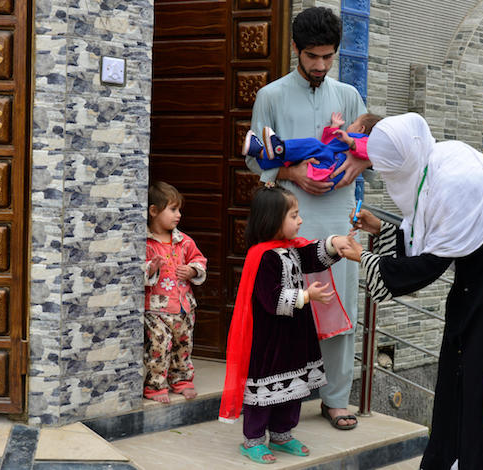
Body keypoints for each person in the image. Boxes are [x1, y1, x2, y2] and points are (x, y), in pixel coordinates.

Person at [340, 113, 483, 470]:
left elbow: (427, 266)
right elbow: (429, 230)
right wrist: (381, 228)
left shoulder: (454, 179)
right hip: (481, 280)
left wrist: (362, 256)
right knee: (463, 377)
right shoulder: (436, 163)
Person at [245, 6, 368, 430]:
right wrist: (293, 171)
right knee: (289, 307)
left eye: (328, 57)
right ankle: (285, 399)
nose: (320, 65)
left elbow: (365, 150)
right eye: (312, 56)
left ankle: (336, 399)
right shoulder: (271, 96)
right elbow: (254, 159)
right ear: (296, 49)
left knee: (341, 305)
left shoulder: (349, 95)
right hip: (290, 221)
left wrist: (355, 168)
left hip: (340, 219)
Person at [218, 184, 352, 464]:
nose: (300, 220)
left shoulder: (290, 250)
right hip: (269, 340)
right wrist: (306, 295)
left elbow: (312, 255)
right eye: (293, 215)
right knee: (264, 391)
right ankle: (252, 440)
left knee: (293, 386)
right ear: (272, 219)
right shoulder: (262, 256)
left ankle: (282, 434)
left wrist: (335, 243)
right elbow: (270, 299)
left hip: (294, 335)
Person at [144, 181, 207, 403]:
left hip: (184, 307)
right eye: (172, 209)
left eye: (179, 209)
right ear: (154, 211)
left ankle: (181, 380)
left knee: (183, 345)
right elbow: (138, 271)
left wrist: (192, 270)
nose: (178, 215)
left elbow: (200, 260)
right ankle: (155, 385)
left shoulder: (184, 241)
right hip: (157, 309)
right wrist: (151, 268)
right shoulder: (146, 244)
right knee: (159, 346)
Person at [244, 111, 382, 190]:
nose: (349, 125)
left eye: (353, 123)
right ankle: (259, 152)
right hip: (325, 169)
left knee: (312, 144)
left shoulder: (361, 140)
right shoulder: (349, 140)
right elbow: (328, 145)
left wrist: (351, 142)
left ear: (361, 129)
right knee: (295, 158)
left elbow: (369, 150)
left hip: (328, 170)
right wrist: (334, 127)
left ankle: (280, 149)